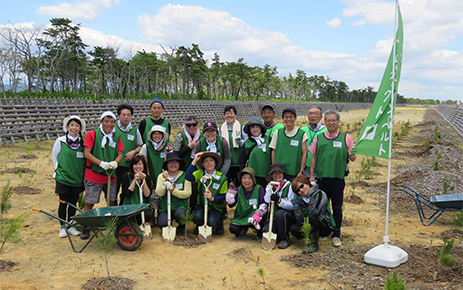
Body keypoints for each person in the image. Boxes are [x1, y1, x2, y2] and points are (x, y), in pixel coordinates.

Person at [309, 110, 356, 247]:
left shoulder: (345, 138)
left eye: (333, 120)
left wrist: (352, 155)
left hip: (337, 179)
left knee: (337, 208)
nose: (331, 123)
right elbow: (314, 157)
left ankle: (336, 234)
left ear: (338, 122)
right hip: (322, 179)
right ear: (324, 122)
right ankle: (324, 231)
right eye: (328, 120)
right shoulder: (319, 137)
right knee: (321, 208)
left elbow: (352, 157)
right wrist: (312, 175)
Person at [82, 111, 124, 239]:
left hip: (110, 176)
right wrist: (100, 163)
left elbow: (120, 154)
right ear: (101, 122)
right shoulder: (92, 134)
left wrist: (115, 163)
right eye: (106, 121)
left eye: (112, 122)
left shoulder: (116, 136)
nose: (109, 124)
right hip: (94, 175)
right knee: (90, 202)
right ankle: (86, 227)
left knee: (112, 201)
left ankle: (110, 225)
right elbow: (87, 153)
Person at [52, 115, 86, 238]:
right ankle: (62, 226)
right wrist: (57, 171)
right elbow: (55, 157)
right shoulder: (60, 141)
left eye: (77, 125)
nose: (74, 128)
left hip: (77, 179)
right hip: (63, 179)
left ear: (80, 128)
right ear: (67, 127)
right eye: (72, 125)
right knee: (63, 203)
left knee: (73, 203)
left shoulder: (82, 143)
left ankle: (70, 225)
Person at [186, 152, 228, 235]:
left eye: (211, 160)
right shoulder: (200, 173)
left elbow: (222, 196)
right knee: (197, 217)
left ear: (215, 163)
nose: (209, 163)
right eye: (206, 161)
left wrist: (212, 198)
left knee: (212, 221)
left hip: (215, 207)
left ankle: (218, 225)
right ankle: (199, 225)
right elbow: (188, 176)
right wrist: (194, 161)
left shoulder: (221, 178)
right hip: (201, 205)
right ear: (202, 164)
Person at [291, 176, 335, 254]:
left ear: (307, 183)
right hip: (308, 224)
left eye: (302, 186)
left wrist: (311, 199)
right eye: (298, 190)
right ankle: (308, 236)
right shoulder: (300, 199)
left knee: (311, 217)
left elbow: (314, 213)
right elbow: (300, 219)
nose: (301, 190)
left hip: (323, 224)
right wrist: (296, 207)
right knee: (294, 229)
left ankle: (313, 245)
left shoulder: (320, 194)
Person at [155, 153, 192, 235]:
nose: (173, 165)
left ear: (179, 164)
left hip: (180, 206)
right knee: (162, 223)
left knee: (180, 215)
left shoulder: (185, 176)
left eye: (175, 162)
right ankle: (169, 226)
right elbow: (159, 193)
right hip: (165, 208)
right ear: (166, 165)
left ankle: (181, 228)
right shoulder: (161, 176)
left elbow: (187, 193)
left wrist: (173, 191)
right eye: (170, 162)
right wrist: (165, 180)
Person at [226, 167, 267, 239]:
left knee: (262, 223)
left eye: (249, 178)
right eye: (244, 178)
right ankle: (243, 229)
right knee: (233, 228)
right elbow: (231, 205)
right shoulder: (238, 190)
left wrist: (258, 214)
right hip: (241, 217)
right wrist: (230, 194)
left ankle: (259, 232)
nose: (247, 181)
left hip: (255, 217)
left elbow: (263, 204)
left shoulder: (259, 188)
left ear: (253, 180)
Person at [262, 163, 296, 249]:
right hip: (276, 218)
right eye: (274, 173)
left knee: (280, 214)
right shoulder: (270, 186)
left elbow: (292, 206)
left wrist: (280, 201)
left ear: (283, 173)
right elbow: (266, 200)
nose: (277, 175)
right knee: (266, 230)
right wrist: (270, 190)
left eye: (279, 172)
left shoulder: (289, 186)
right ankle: (277, 234)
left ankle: (284, 239)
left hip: (288, 217)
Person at [269, 107, 308, 181]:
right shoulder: (277, 133)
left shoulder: (302, 134)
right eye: (286, 117)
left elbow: (304, 154)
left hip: (294, 173)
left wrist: (301, 171)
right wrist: (274, 169)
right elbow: (273, 151)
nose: (288, 119)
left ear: (295, 118)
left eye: (291, 117)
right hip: (279, 173)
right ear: (283, 119)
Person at [115, 104, 143, 205]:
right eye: (123, 115)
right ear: (118, 116)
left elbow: (140, 145)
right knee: (113, 193)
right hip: (115, 167)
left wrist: (134, 152)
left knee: (126, 192)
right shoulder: (113, 129)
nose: (126, 117)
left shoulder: (135, 130)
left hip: (129, 168)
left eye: (128, 115)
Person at [120, 154, 154, 224]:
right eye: (135, 164)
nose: (138, 167)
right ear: (132, 166)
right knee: (129, 219)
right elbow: (127, 194)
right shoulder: (126, 176)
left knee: (148, 214)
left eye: (140, 164)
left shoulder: (147, 178)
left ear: (144, 166)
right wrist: (134, 180)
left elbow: (147, 195)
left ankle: (138, 224)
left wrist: (144, 180)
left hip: (142, 207)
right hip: (128, 206)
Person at [238, 117, 271, 188]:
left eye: (257, 127)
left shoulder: (268, 139)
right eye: (252, 127)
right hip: (253, 176)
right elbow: (242, 161)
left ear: (261, 128)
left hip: (268, 175)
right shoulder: (247, 143)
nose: (255, 129)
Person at [220, 106, 245, 184]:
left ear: (235, 115)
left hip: (238, 162)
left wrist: (240, 142)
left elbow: (247, 145)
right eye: (227, 114)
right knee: (225, 183)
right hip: (225, 163)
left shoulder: (242, 128)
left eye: (231, 113)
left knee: (238, 183)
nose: (229, 116)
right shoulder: (220, 129)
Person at [300, 106, 327, 178]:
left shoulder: (326, 131)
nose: (312, 116)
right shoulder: (302, 130)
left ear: (321, 116)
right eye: (310, 114)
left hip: (321, 166)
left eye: (315, 114)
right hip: (305, 166)